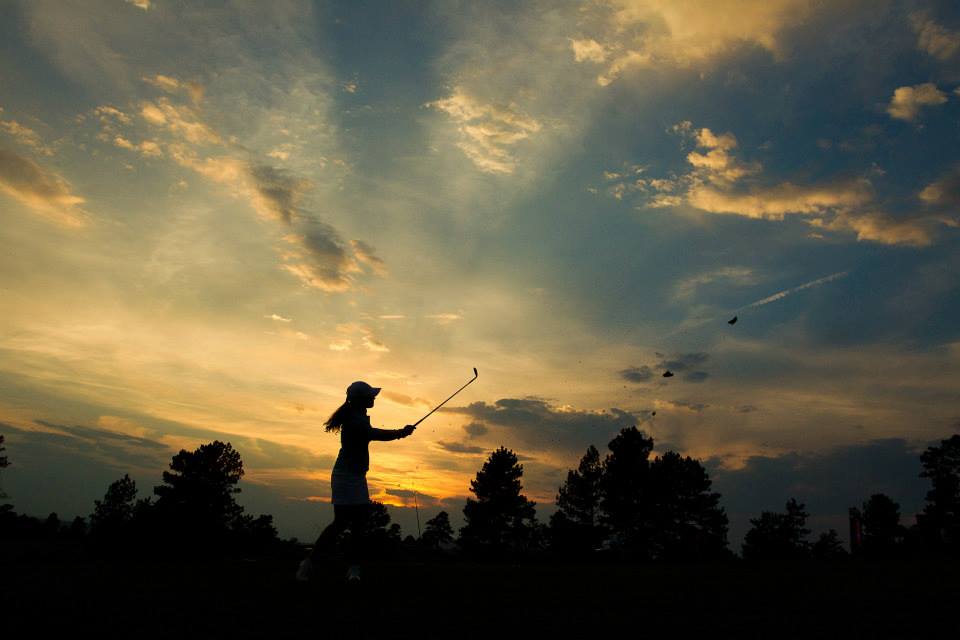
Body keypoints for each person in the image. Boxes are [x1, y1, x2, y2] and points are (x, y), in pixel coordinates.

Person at [296, 380, 415, 583]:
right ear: (362, 399)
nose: (374, 397)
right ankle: (310, 563)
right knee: (341, 524)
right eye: (371, 395)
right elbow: (374, 434)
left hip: (356, 476)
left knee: (357, 524)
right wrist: (400, 433)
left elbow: (372, 433)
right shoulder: (355, 421)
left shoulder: (357, 416)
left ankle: (353, 569)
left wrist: (400, 433)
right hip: (345, 476)